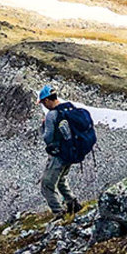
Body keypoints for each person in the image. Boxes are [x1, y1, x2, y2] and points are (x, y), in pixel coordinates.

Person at [39, 84, 82, 216]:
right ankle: (73, 204)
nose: (43, 105)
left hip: (59, 154)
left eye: (42, 102)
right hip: (71, 151)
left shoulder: (52, 115)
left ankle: (58, 213)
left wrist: (44, 126)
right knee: (61, 179)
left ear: (47, 100)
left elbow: (47, 137)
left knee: (46, 184)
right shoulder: (69, 108)